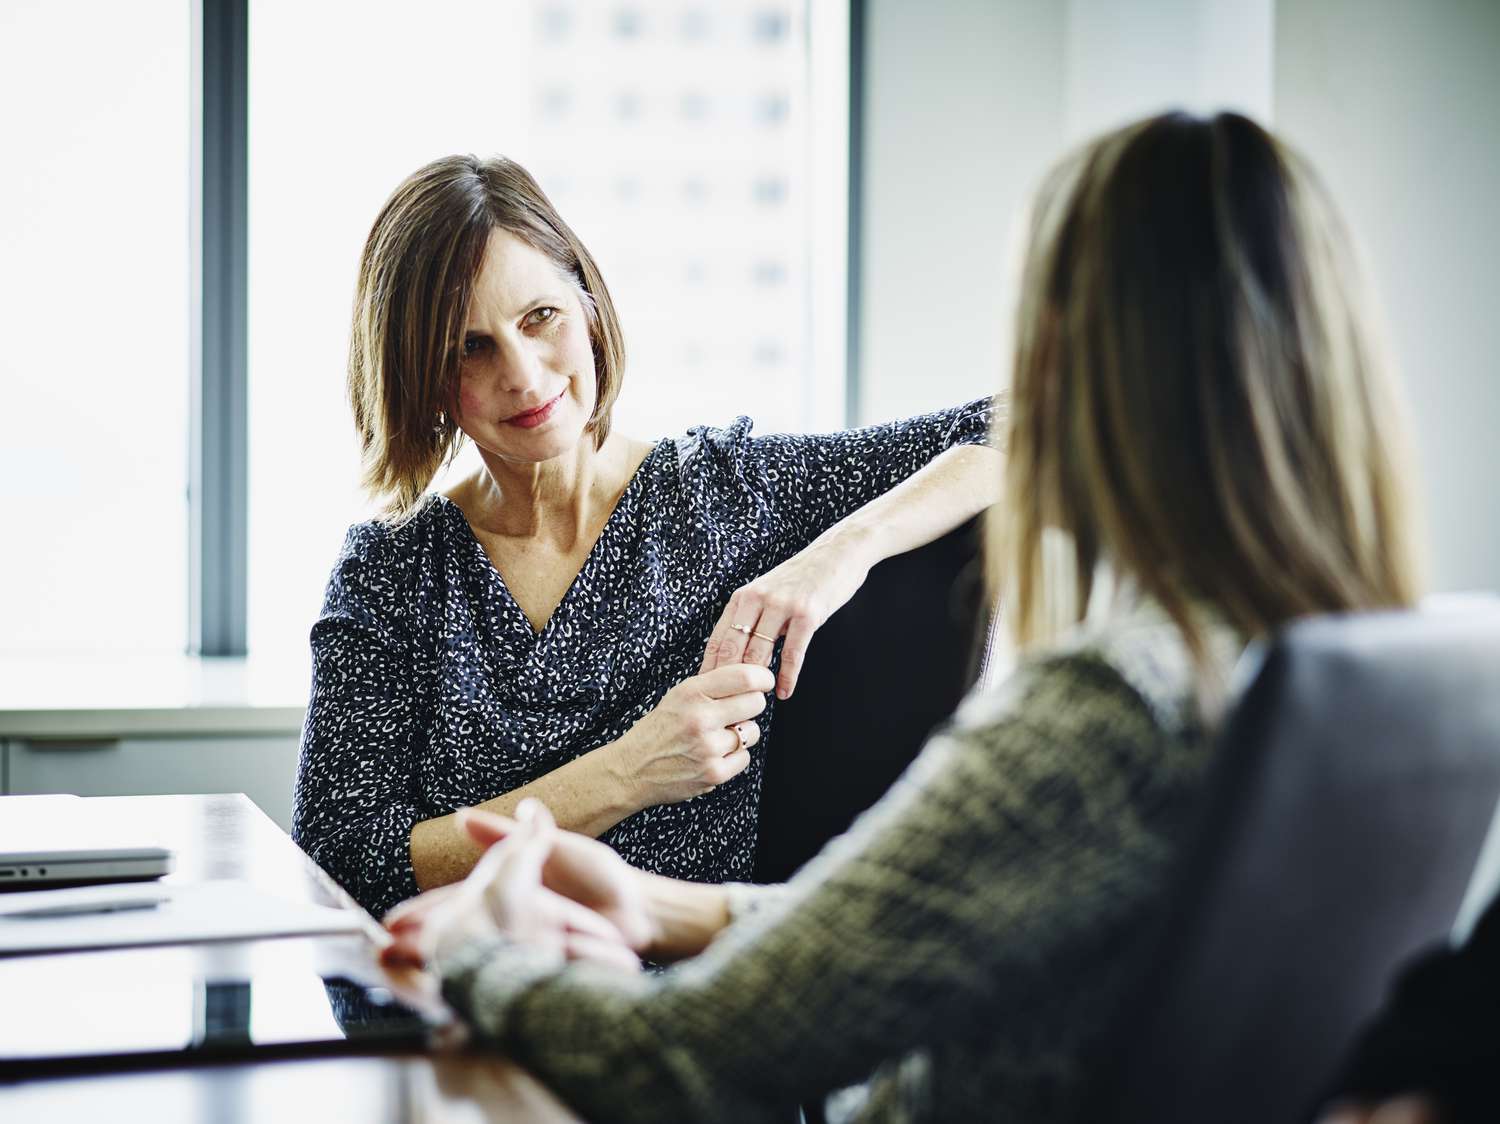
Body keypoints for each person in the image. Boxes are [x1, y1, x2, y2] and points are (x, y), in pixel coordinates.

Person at [378, 111, 1424, 1123]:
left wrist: (478, 950)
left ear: (1072, 351)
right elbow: (949, 914)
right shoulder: (1363, 686)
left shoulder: (1105, 710)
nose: (517, 371)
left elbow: (677, 1060)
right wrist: (666, 904)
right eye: (470, 347)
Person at [291, 154, 1001, 918]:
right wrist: (630, 771)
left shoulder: (724, 493)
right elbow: (342, 856)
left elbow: (1034, 423)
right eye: (471, 347)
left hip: (675, 998)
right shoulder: (391, 568)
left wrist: (838, 552)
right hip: (445, 1000)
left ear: (588, 306)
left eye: (540, 317)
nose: (525, 377)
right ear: (420, 375)